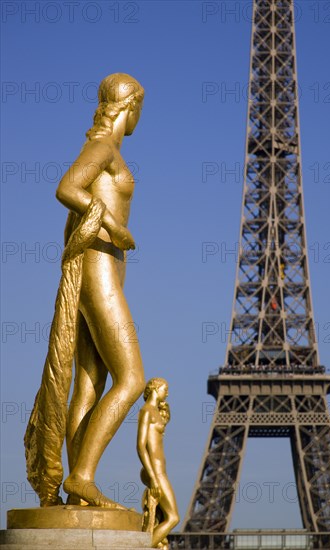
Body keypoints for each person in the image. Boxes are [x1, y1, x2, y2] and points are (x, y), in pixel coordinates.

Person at [56, 73, 146, 508]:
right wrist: (113, 225)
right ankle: (83, 475)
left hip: (101, 271)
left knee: (91, 386)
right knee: (131, 379)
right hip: (100, 274)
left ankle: (78, 493)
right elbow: (67, 187)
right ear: (131, 106)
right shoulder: (104, 148)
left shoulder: (107, 148)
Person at [137, 378, 179, 548]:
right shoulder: (146, 411)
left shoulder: (154, 411)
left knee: (164, 517)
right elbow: (140, 446)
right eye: (165, 389)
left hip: (159, 471)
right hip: (155, 471)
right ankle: (143, 547)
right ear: (155, 388)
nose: (167, 393)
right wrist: (153, 477)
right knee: (173, 517)